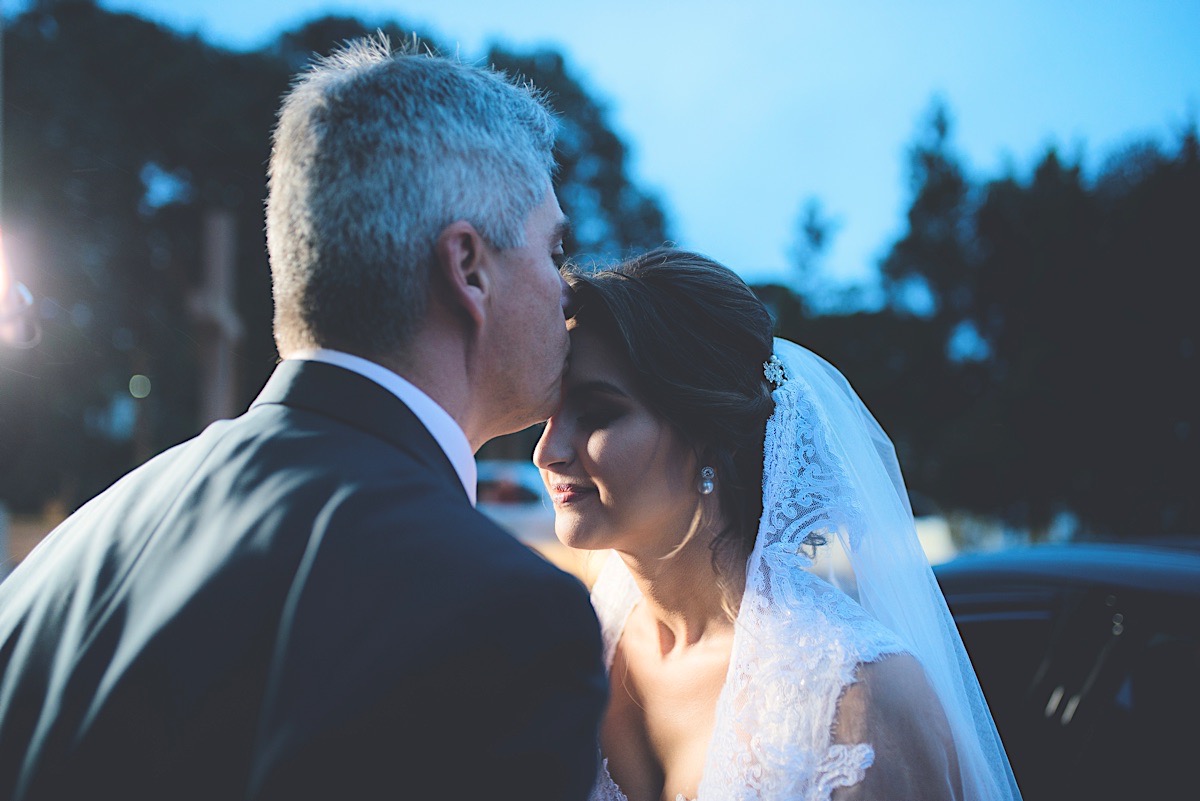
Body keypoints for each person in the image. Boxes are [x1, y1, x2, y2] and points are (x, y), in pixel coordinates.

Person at [0, 36, 607, 800]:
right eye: (554, 251)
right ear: (470, 269)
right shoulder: (503, 616)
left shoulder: (70, 555)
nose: (566, 289)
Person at [534, 248, 1022, 801]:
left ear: (706, 435)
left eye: (598, 414)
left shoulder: (856, 694)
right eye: (548, 414)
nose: (546, 452)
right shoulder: (576, 651)